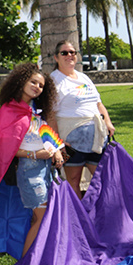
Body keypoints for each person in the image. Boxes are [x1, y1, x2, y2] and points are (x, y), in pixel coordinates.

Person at [0, 63, 64, 256]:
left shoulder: (36, 109)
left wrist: (57, 150)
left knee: (42, 216)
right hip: (29, 170)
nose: (37, 87)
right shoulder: (9, 110)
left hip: (46, 169)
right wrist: (35, 154)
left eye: (41, 85)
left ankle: (39, 257)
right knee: (41, 217)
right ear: (21, 81)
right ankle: (27, 263)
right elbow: (6, 150)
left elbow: (46, 134)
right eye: (33, 82)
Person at [49, 41, 115, 198]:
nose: (69, 55)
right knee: (72, 181)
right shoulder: (53, 80)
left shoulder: (84, 77)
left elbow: (99, 104)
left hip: (97, 140)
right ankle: (78, 218)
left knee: (104, 179)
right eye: (64, 53)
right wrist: (57, 144)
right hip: (71, 141)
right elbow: (50, 115)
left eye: (72, 52)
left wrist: (108, 122)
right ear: (56, 57)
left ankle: (101, 217)